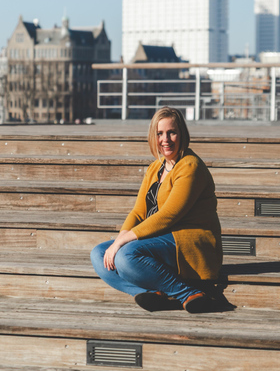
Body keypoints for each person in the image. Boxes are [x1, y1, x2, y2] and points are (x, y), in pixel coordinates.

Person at [90, 107, 223, 313]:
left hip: (189, 241)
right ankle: (151, 294)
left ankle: (187, 293)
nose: (165, 140)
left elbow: (168, 216)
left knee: (126, 256)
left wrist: (122, 242)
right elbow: (138, 212)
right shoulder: (156, 167)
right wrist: (119, 239)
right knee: (99, 254)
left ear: (182, 134)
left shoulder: (190, 166)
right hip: (161, 239)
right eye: (160, 133)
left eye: (172, 132)